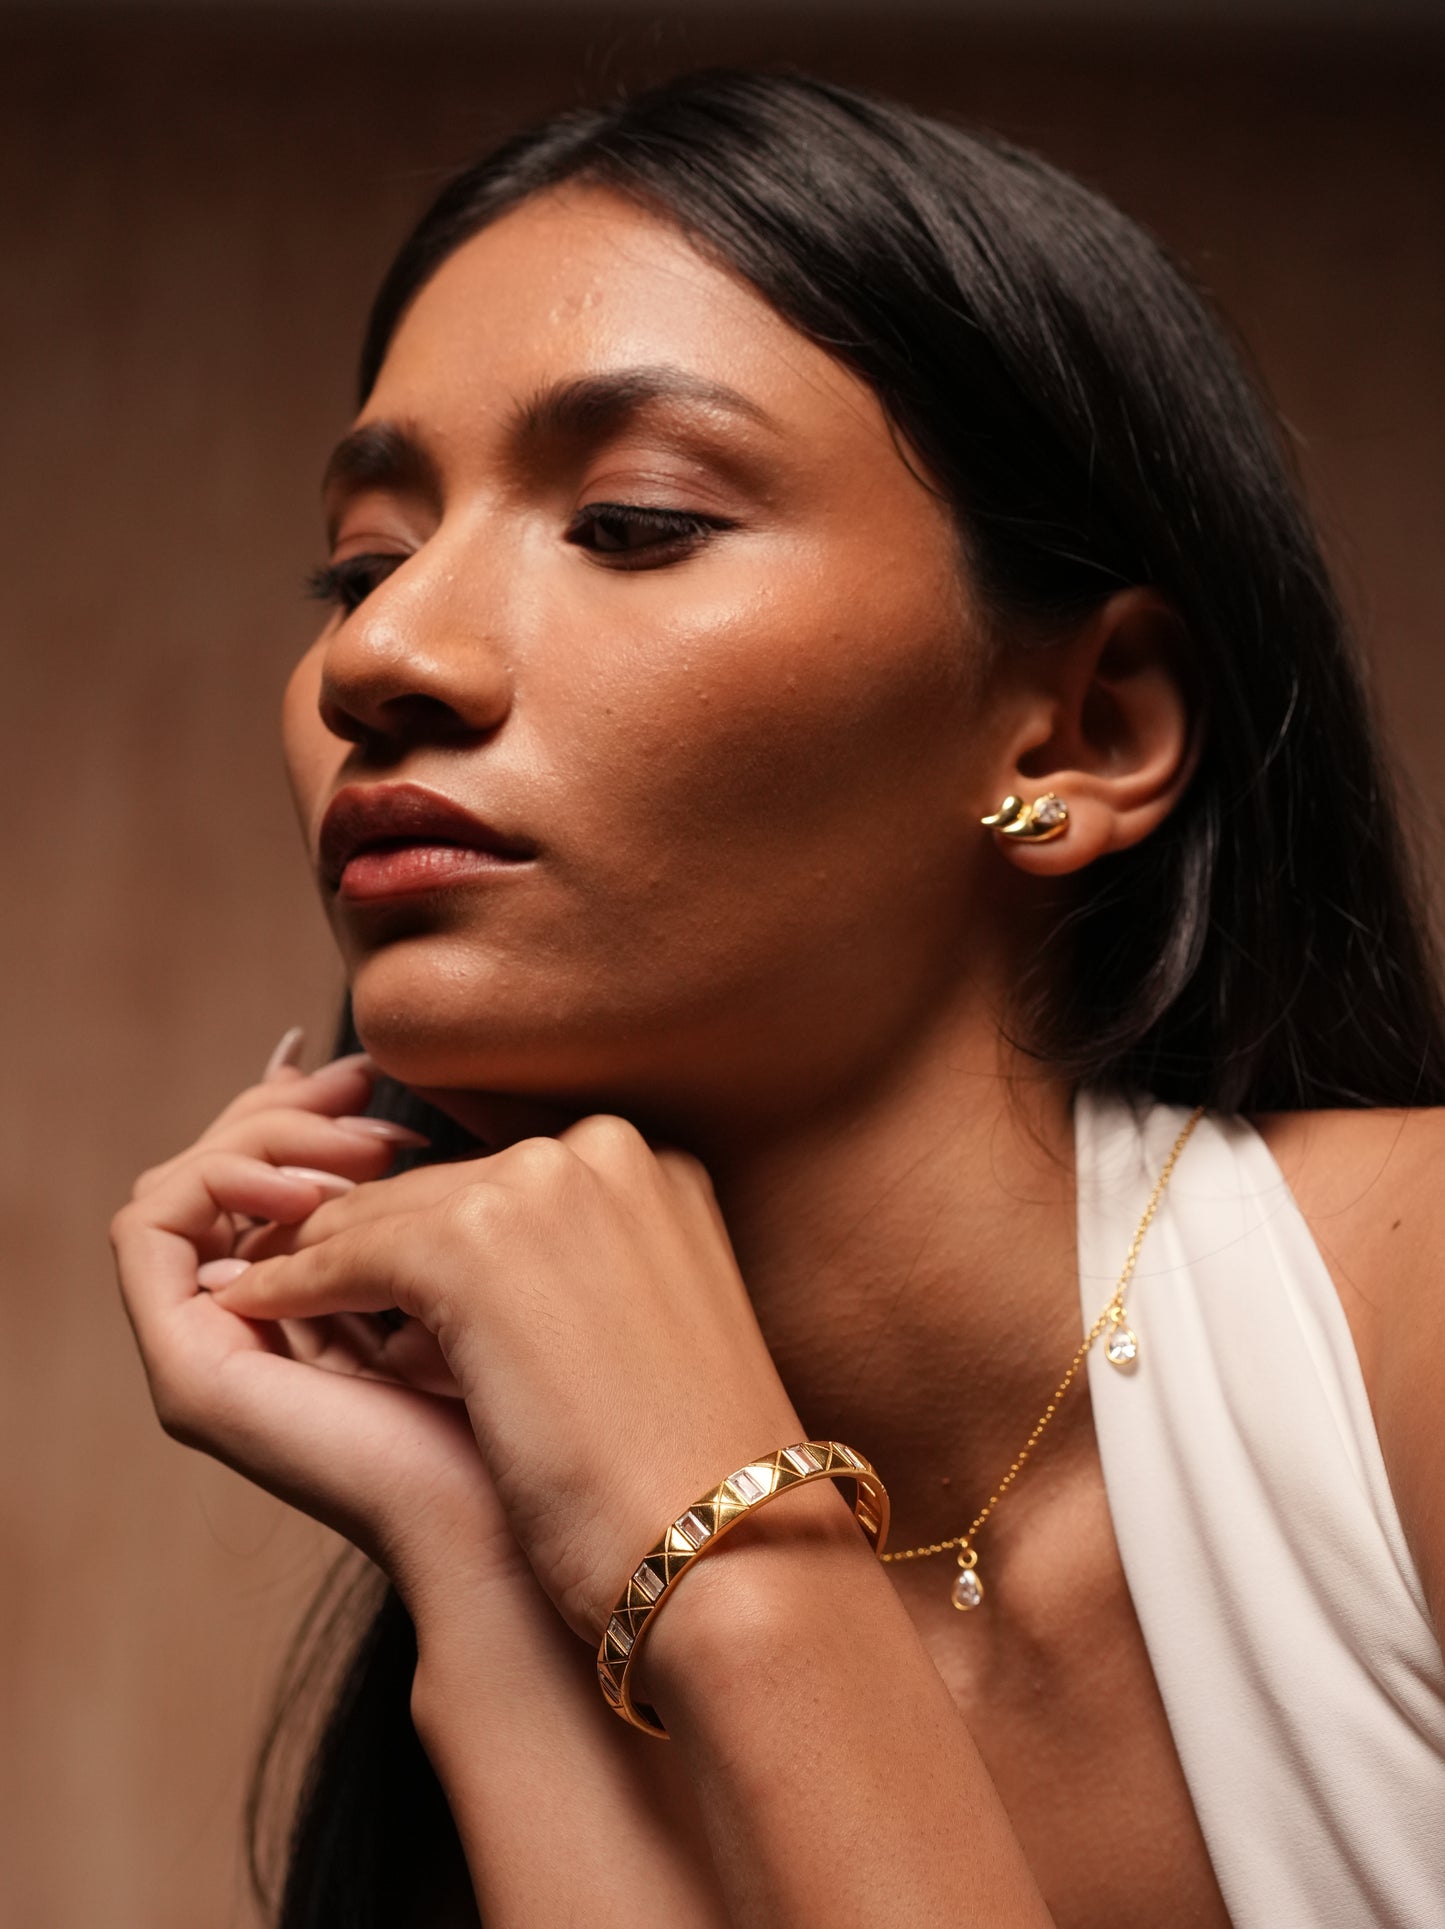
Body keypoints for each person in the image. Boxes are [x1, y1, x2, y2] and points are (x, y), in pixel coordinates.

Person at [111, 67, 1445, 1929]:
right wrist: (475, 1561)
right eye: (362, 562)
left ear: (1080, 730)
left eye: (633, 520)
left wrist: (730, 1544)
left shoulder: (1405, 1326)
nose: (377, 655)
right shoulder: (526, 1553)